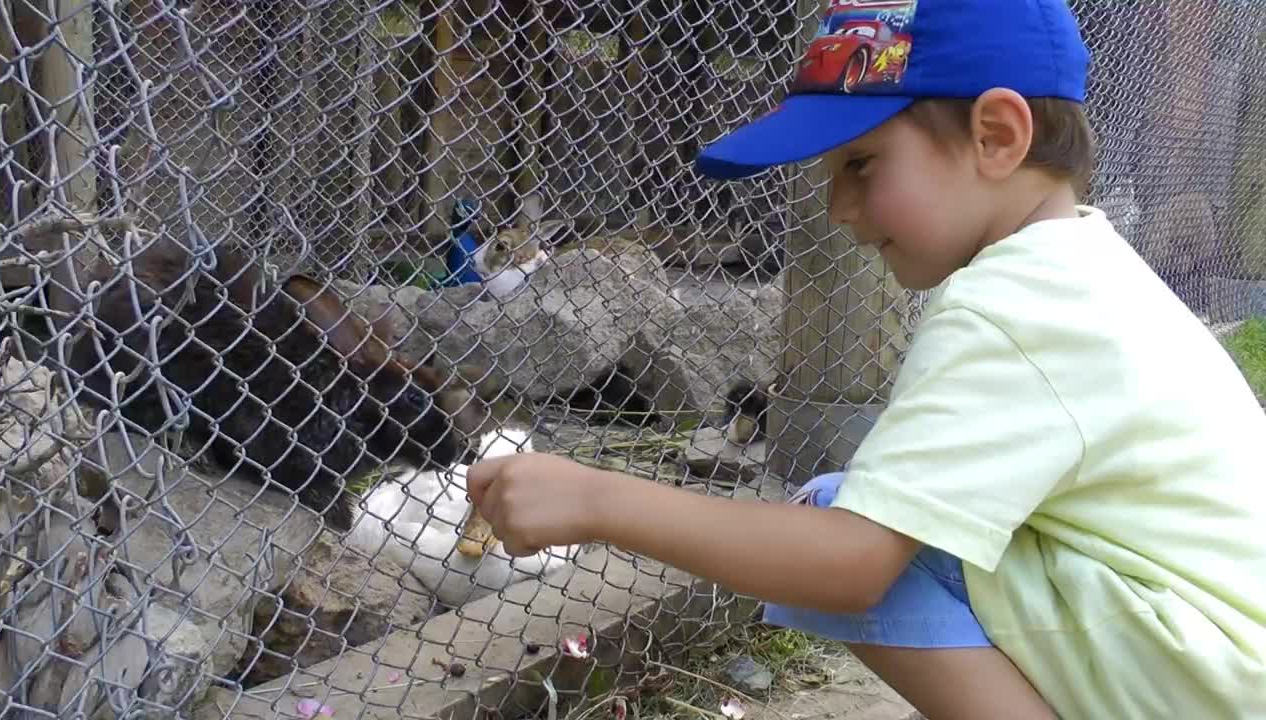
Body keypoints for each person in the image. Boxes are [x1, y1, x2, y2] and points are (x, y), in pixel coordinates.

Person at [464, 1, 1266, 717]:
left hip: (1201, 674)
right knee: (875, 512)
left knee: (837, 523)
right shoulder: (1076, 263)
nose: (838, 209)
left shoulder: (1009, 305)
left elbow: (851, 568)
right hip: (1223, 656)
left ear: (997, 136)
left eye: (861, 165)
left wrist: (598, 499)